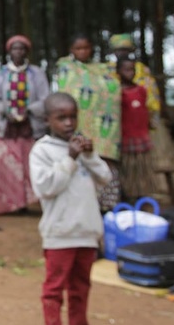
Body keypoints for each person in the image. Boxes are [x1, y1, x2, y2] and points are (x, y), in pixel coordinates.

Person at [29, 92, 114, 325]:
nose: (68, 123)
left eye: (72, 117)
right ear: (47, 120)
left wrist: (87, 155)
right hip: (60, 234)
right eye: (61, 117)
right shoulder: (41, 150)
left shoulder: (81, 147)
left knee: (81, 287)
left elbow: (105, 178)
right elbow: (45, 187)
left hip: (87, 232)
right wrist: (69, 159)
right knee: (54, 292)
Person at [55, 34, 121, 212]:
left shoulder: (104, 69)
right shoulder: (65, 68)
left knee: (105, 165)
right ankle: (83, 206)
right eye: (78, 48)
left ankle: (107, 206)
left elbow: (113, 93)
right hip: (80, 127)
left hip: (105, 132)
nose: (83, 51)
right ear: (71, 50)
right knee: (80, 162)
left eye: (86, 48)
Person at [0, 35, 49, 215]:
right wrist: (7, 112)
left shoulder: (36, 73)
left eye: (22, 48)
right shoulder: (2, 74)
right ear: (9, 51)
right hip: (8, 128)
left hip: (30, 127)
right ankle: (6, 204)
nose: (18, 52)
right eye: (15, 48)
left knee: (29, 163)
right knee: (5, 164)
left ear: (26, 51)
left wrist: (28, 111)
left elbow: (45, 99)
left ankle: (27, 203)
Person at [118, 55, 155, 201]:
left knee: (142, 170)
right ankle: (127, 198)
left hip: (142, 137)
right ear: (118, 71)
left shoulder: (141, 91)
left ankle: (142, 198)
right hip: (126, 139)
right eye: (126, 70)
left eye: (132, 70)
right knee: (128, 170)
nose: (130, 73)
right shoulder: (117, 92)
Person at [107, 33, 160, 121]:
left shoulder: (141, 69)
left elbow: (152, 96)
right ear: (114, 51)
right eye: (119, 50)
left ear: (131, 51)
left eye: (125, 50)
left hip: (137, 115)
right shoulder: (107, 69)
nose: (122, 53)